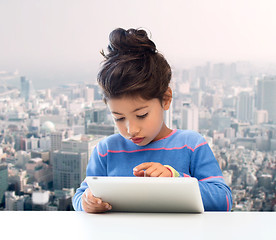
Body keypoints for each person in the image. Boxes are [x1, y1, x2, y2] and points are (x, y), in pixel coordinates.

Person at [72, 28, 232, 213]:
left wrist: (176, 179)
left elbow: (224, 200)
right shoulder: (106, 150)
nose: (131, 129)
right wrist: (87, 203)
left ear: (165, 99)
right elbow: (81, 195)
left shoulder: (191, 145)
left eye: (141, 115)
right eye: (119, 118)